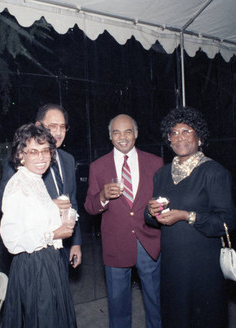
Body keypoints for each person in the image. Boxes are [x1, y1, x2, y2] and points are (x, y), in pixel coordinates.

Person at [145, 106, 236, 328]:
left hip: (202, 267)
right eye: (174, 132)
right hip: (172, 266)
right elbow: (150, 220)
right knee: (175, 318)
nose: (179, 137)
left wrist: (187, 216)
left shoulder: (214, 172)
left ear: (200, 137)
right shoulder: (162, 174)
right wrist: (150, 212)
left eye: (186, 131)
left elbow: (227, 222)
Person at [85, 114, 164, 328]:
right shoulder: (98, 167)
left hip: (149, 242)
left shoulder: (156, 163)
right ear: (110, 137)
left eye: (127, 131)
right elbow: (90, 207)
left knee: (156, 303)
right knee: (118, 307)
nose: (122, 137)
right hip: (116, 244)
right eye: (116, 132)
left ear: (136, 134)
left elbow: (164, 201)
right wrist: (102, 196)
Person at [0, 123, 77, 327]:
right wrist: (53, 233)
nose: (41, 157)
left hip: (48, 262)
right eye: (33, 152)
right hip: (32, 267)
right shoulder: (17, 185)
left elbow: (33, 218)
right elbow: (12, 241)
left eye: (45, 151)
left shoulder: (35, 180)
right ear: (21, 155)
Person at [0, 103, 82, 269]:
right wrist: (50, 207)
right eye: (52, 126)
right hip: (34, 250)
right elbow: (4, 202)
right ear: (38, 126)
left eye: (62, 127)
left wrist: (76, 242)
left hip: (64, 243)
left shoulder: (68, 159)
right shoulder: (23, 160)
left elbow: (73, 201)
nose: (58, 133)